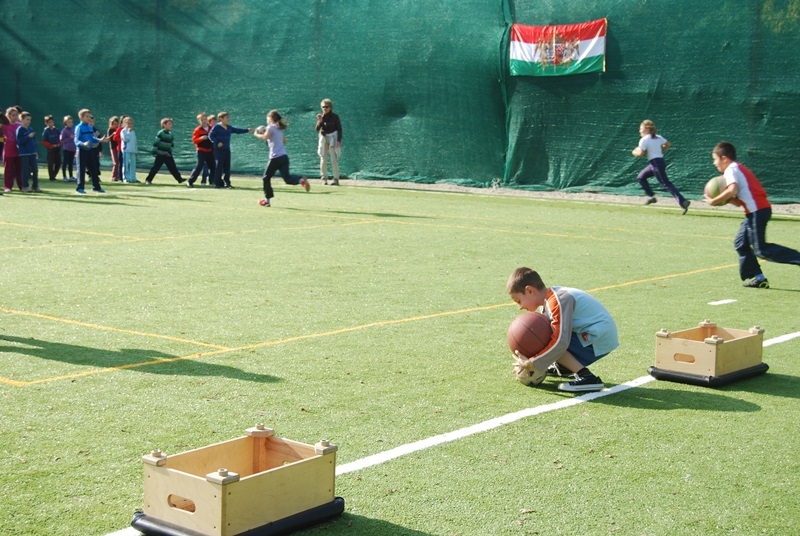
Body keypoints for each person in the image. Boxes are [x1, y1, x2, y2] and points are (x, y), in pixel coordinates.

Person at [506, 267, 618, 392]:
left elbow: (560, 340)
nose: (520, 307)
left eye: (518, 301)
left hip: (599, 336)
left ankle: (587, 377)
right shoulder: (549, 302)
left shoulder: (558, 300)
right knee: (546, 336)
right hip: (595, 334)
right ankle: (564, 367)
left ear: (530, 291)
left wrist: (533, 362)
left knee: (547, 339)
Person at [704, 141, 800, 288]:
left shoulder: (731, 169)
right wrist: (725, 200)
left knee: (761, 250)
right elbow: (738, 201)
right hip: (755, 212)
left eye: (715, 159)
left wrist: (713, 201)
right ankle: (759, 278)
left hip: (757, 212)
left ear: (724, 158)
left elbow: (732, 190)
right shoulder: (736, 168)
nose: (714, 163)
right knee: (740, 244)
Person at [632, 120, 690, 214]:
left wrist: (634, 151)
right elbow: (668, 144)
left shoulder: (644, 140)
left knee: (665, 183)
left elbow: (641, 153)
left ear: (647, 129)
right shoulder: (658, 137)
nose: (640, 131)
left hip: (656, 163)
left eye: (641, 129)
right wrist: (661, 151)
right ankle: (651, 197)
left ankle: (683, 201)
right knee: (641, 177)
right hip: (658, 162)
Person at [254, 110, 310, 207]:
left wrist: (257, 134)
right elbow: (284, 141)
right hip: (284, 157)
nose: (266, 120)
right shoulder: (279, 128)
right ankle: (300, 180)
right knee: (287, 179)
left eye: (267, 118)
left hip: (275, 158)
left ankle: (267, 201)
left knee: (266, 178)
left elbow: (264, 137)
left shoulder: (271, 127)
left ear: (271, 119)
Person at [209, 111, 251, 188]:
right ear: (221, 119)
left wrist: (247, 130)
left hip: (226, 150)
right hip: (218, 150)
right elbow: (210, 135)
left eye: (228, 117)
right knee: (219, 166)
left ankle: (227, 183)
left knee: (227, 167)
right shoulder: (216, 127)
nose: (228, 119)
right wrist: (217, 142)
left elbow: (237, 130)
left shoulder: (229, 127)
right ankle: (217, 183)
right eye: (226, 118)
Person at [74, 108, 108, 194]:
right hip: (81, 151)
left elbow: (92, 138)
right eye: (87, 116)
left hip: (90, 151)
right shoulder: (79, 127)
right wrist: (83, 144)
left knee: (94, 168)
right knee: (81, 170)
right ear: (81, 117)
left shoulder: (90, 127)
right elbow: (76, 140)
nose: (89, 118)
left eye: (89, 116)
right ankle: (80, 188)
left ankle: (96, 187)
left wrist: (100, 140)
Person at [144, 117, 186, 185]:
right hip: (160, 154)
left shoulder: (171, 134)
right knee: (155, 167)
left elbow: (171, 145)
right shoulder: (160, 133)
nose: (171, 125)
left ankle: (179, 179)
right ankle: (148, 180)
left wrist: (169, 152)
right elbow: (156, 143)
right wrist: (154, 152)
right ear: (164, 125)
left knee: (173, 167)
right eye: (169, 124)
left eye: (171, 124)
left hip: (167, 155)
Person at [315, 98, 342, 185]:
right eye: (323, 107)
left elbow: (339, 129)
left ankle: (336, 179)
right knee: (323, 158)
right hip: (324, 138)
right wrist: (319, 121)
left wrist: (338, 140)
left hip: (333, 138)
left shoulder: (335, 117)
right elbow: (317, 129)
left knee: (334, 159)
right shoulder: (321, 117)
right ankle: (324, 178)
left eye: (326, 107)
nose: (325, 108)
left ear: (330, 107)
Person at [187, 112, 215, 188]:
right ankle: (190, 181)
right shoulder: (197, 130)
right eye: (202, 120)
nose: (204, 121)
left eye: (205, 119)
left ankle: (212, 181)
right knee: (199, 166)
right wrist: (201, 138)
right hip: (201, 151)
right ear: (199, 121)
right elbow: (194, 140)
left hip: (210, 151)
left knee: (213, 166)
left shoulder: (211, 129)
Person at [16, 112, 39, 192]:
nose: (29, 121)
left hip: (32, 152)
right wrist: (28, 136)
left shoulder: (30, 129)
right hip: (24, 153)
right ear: (22, 120)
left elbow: (34, 141)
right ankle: (25, 186)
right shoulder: (20, 129)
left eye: (30, 120)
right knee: (25, 170)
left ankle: (35, 186)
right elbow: (19, 141)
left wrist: (35, 151)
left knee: (35, 169)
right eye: (27, 119)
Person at [3, 106, 22, 192]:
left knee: (20, 170)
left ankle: (22, 186)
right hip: (8, 151)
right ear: (8, 116)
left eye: (16, 115)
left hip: (18, 152)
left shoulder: (20, 125)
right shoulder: (5, 126)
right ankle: (8, 186)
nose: (15, 117)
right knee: (9, 170)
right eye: (13, 115)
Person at [41, 115, 62, 181]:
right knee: (51, 164)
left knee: (58, 163)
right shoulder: (46, 131)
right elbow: (44, 141)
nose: (51, 124)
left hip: (57, 149)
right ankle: (51, 177)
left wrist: (59, 144)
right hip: (50, 150)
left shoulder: (56, 130)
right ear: (46, 123)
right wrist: (51, 146)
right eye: (49, 122)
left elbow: (60, 138)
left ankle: (54, 175)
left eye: (52, 122)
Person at [119, 116, 138, 182]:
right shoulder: (123, 131)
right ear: (124, 123)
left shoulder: (133, 132)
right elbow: (126, 139)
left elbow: (135, 142)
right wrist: (129, 132)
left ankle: (133, 178)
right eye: (128, 123)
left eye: (131, 123)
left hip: (132, 151)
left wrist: (136, 151)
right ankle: (126, 178)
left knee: (133, 165)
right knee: (126, 165)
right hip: (126, 150)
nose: (130, 125)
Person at [60, 115, 76, 181]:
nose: (70, 124)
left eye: (71, 122)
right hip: (66, 149)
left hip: (72, 149)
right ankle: (64, 176)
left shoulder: (72, 130)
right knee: (65, 162)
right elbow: (62, 139)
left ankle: (71, 176)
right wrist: (70, 138)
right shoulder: (64, 130)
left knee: (71, 163)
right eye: (69, 122)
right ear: (65, 123)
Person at [107, 116, 122, 181]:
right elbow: (109, 138)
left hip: (118, 148)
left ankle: (118, 175)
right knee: (115, 162)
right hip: (113, 148)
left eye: (117, 124)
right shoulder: (110, 130)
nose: (116, 125)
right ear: (111, 124)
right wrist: (113, 134)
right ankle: (113, 176)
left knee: (119, 162)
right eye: (114, 124)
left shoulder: (118, 130)